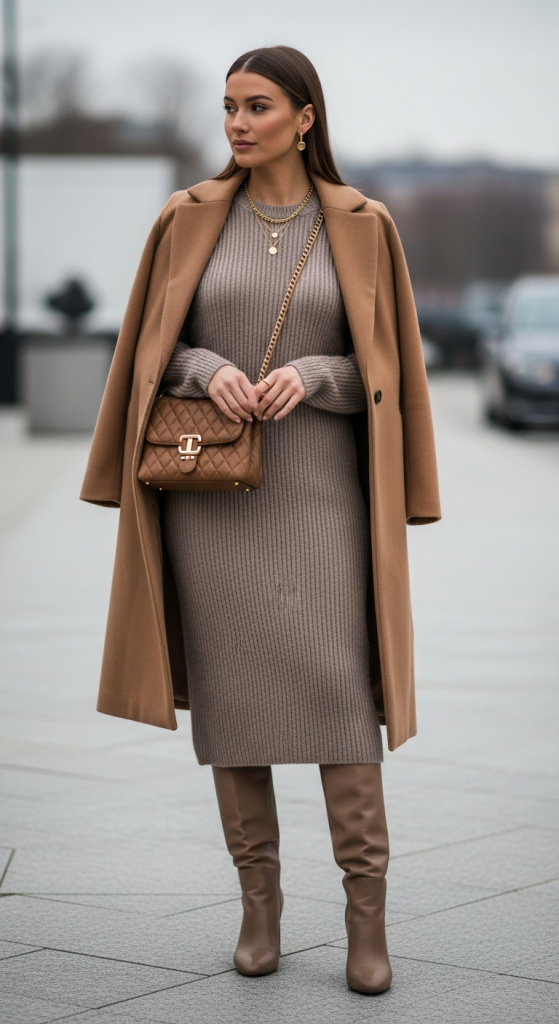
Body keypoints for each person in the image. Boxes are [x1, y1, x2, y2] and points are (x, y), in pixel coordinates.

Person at [80, 45, 440, 994]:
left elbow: (390, 364)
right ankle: (259, 910)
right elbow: (156, 343)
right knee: (235, 714)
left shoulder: (363, 226)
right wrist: (212, 371)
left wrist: (312, 376)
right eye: (229, 107)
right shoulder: (188, 216)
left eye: (258, 106)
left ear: (305, 117)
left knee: (339, 704)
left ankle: (368, 919)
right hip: (213, 505)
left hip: (324, 502)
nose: (237, 123)